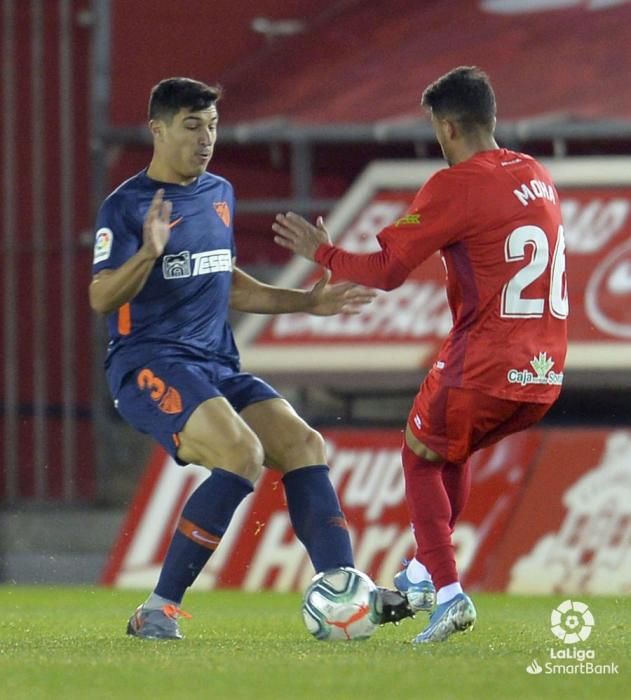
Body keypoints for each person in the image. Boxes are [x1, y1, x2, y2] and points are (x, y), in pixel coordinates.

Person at [89, 77, 411, 640]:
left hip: (217, 364)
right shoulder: (127, 206)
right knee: (240, 453)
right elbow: (101, 297)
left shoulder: (219, 192)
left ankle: (343, 588)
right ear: (157, 130)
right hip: (148, 365)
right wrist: (148, 253)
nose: (206, 138)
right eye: (192, 126)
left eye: (212, 126)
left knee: (303, 444)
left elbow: (227, 282)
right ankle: (157, 610)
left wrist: (306, 302)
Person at [272, 66, 568, 644]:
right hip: (544, 373)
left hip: (483, 361)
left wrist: (324, 252)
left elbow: (386, 272)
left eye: (436, 128)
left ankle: (449, 593)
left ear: (450, 126)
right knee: (446, 452)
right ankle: (417, 576)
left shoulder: (455, 183)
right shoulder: (535, 173)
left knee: (418, 455)